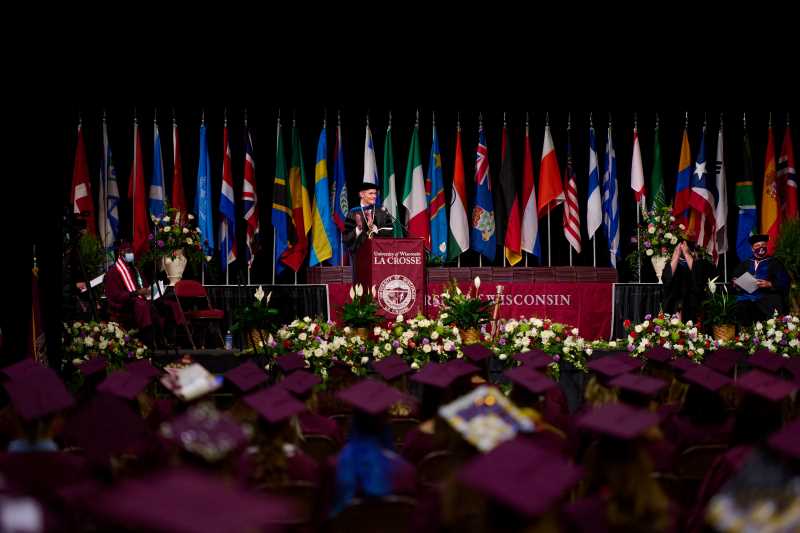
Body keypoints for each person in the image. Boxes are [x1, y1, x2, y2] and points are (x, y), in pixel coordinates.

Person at [104, 241, 185, 347]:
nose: (131, 254)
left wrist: (149, 290)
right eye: (129, 252)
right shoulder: (113, 272)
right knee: (143, 306)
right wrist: (136, 293)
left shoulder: (135, 269)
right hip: (126, 304)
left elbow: (145, 285)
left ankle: (170, 339)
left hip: (142, 299)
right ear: (121, 252)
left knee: (169, 305)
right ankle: (149, 342)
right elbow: (115, 295)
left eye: (132, 252)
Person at [731, 234, 790, 326]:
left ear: (766, 246)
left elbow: (785, 281)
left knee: (774, 302)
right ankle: (745, 334)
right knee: (739, 305)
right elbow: (735, 278)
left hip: (767, 297)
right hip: (747, 297)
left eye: (763, 245)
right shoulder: (746, 263)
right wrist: (736, 282)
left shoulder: (774, 262)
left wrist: (770, 284)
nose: (760, 248)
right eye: (757, 246)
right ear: (752, 249)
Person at [662, 240, 716, 323]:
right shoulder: (674, 264)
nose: (682, 250)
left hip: (694, 301)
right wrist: (676, 254)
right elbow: (666, 278)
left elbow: (699, 278)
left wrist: (687, 253)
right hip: (675, 302)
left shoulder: (701, 263)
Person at [342, 182, 394, 255]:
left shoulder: (382, 211)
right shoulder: (353, 213)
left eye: (375, 193)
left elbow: (390, 232)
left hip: (380, 253)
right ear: (362, 194)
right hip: (359, 254)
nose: (374, 196)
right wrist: (358, 229)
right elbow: (346, 238)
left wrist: (374, 228)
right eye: (371, 193)